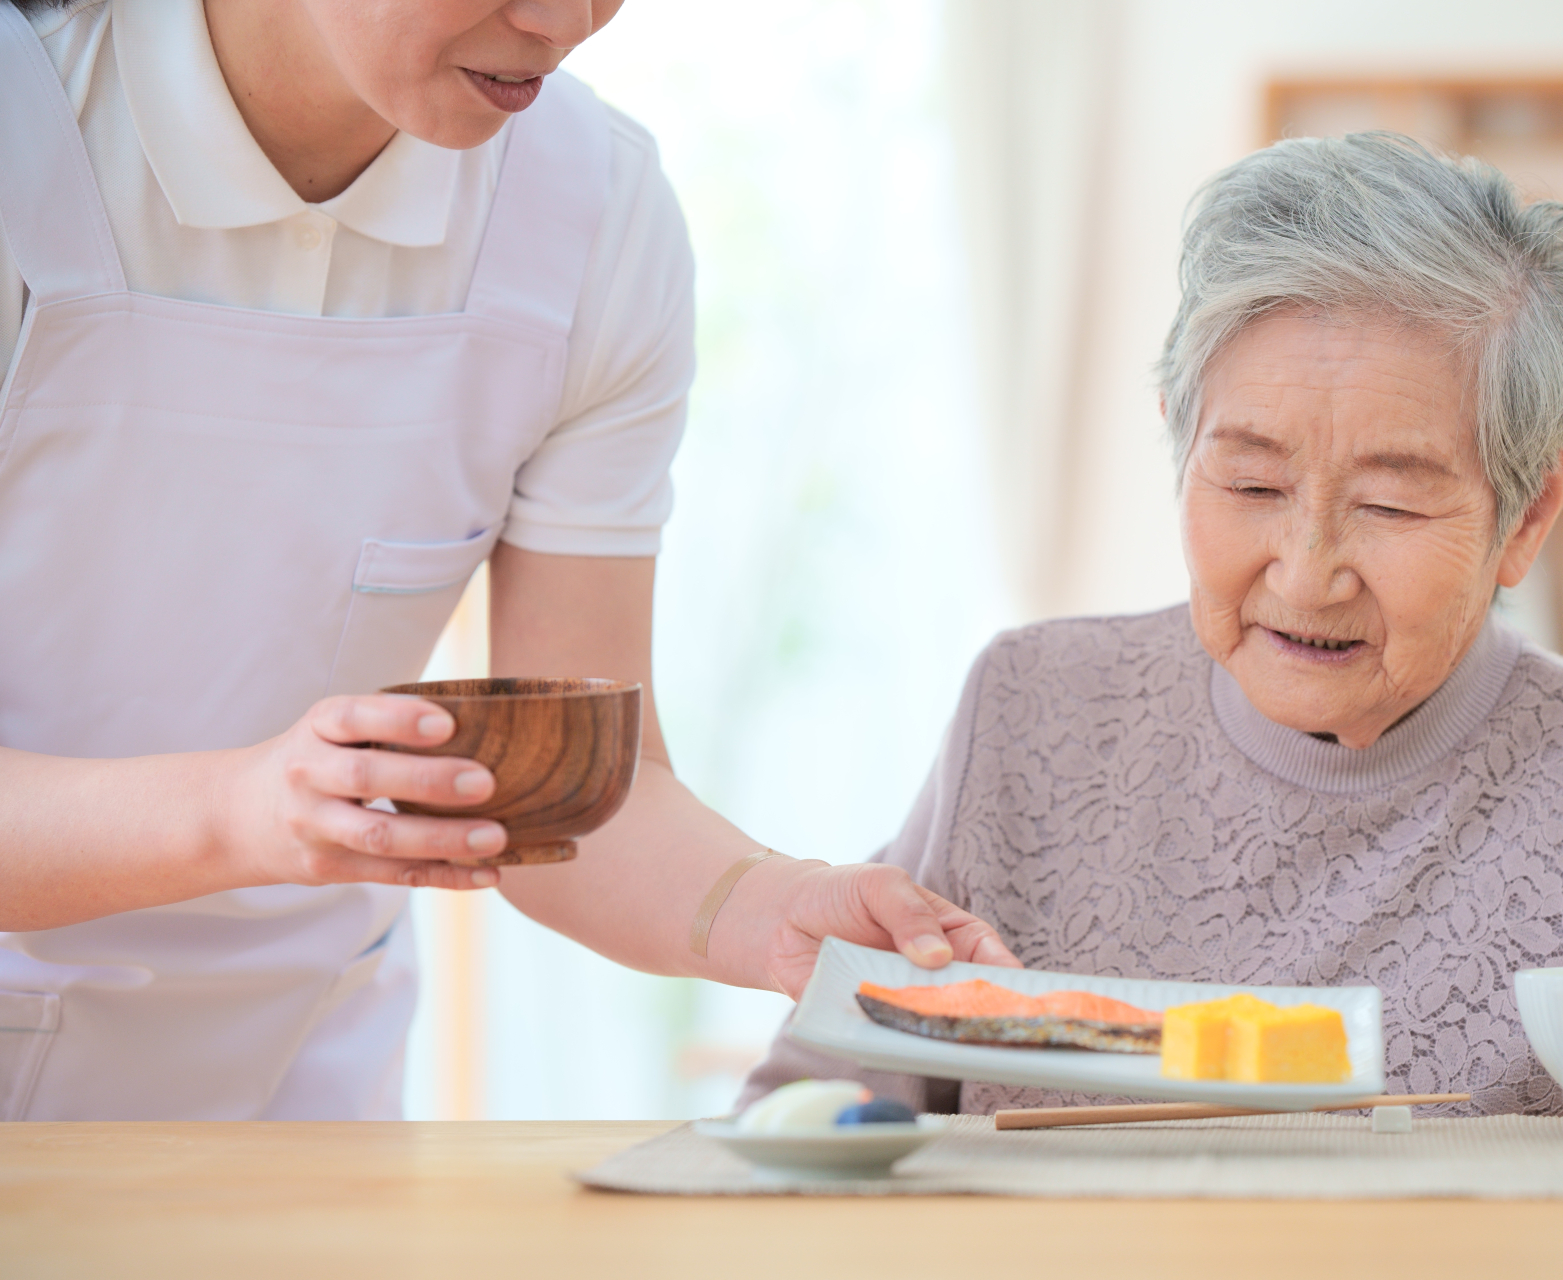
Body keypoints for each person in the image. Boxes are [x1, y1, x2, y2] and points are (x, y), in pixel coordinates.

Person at [0, 0, 1013, 1122]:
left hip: (296, 1088)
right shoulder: (28, 133)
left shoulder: (591, 211)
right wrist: (241, 809)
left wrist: (768, 907)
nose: (563, 20)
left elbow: (572, 798)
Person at [741, 133, 1563, 1118]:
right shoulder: (1032, 708)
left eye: (1390, 502)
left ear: (1531, 512)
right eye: (1253, 484)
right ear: (1181, 441)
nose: (1307, 572)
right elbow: (819, 1112)